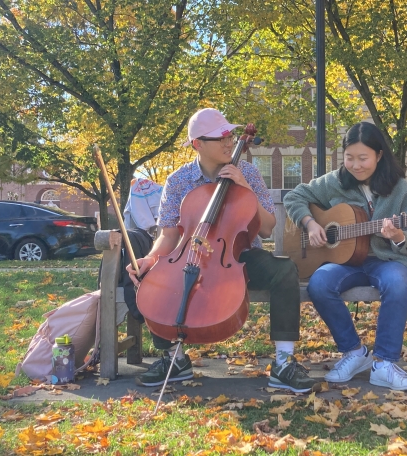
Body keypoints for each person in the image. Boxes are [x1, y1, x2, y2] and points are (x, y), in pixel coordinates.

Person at [126, 108, 317, 393]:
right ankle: (174, 359)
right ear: (198, 144)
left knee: (284, 271)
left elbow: (267, 228)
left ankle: (283, 362)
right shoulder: (178, 181)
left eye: (229, 135)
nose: (229, 142)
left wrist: (244, 188)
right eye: (220, 138)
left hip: (238, 256)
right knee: (147, 279)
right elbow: (168, 234)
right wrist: (151, 259)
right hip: (189, 255)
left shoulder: (249, 172)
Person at [283, 122, 407, 391]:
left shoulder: (400, 190)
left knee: (398, 282)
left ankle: (384, 363)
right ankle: (354, 352)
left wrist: (397, 236)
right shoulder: (334, 182)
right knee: (319, 283)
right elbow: (295, 196)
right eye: (349, 158)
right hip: (345, 262)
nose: (356, 165)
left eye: (363, 158)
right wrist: (310, 223)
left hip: (387, 260)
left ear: (379, 155)